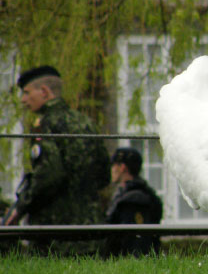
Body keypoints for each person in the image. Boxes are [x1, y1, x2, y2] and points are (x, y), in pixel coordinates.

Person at [6, 65, 111, 254]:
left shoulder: (46, 125)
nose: (23, 100)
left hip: (54, 234)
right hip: (91, 230)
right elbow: (104, 174)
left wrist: (20, 207)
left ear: (44, 92)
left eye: (27, 93)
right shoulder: (85, 123)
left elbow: (48, 174)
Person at [105, 147, 162, 256]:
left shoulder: (134, 200)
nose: (111, 169)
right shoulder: (140, 194)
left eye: (114, 165)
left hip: (128, 265)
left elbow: (137, 243)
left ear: (122, 167)